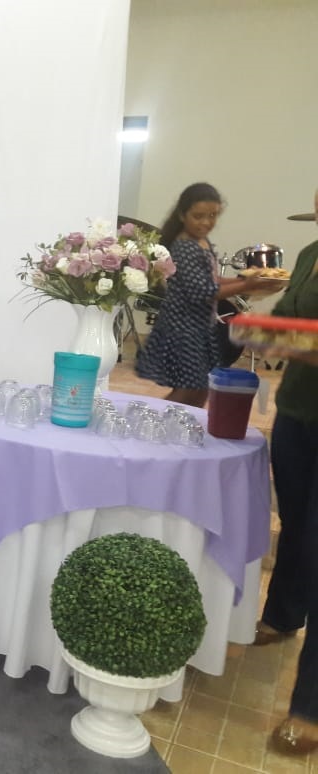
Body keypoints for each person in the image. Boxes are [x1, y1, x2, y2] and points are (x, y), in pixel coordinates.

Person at [253, 189, 318, 755]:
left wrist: (285, 340)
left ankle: (310, 707)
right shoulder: (309, 253)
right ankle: (282, 615)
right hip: (297, 410)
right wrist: (261, 325)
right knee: (296, 526)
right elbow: (287, 321)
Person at [135, 182, 269, 407]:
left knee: (198, 392)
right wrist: (246, 285)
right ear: (182, 215)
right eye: (198, 216)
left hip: (197, 328)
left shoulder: (201, 241)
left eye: (213, 215)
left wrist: (243, 281)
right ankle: (157, 425)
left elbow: (211, 280)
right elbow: (204, 292)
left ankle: (179, 427)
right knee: (186, 393)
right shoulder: (185, 246)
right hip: (182, 329)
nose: (206, 222)